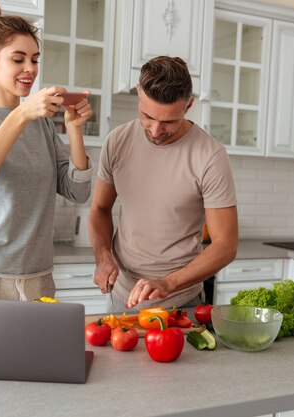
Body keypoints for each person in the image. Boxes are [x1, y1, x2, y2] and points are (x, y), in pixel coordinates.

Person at [0, 0, 94, 301]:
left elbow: (78, 192)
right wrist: (22, 115)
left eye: (35, 60)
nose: (30, 69)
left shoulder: (42, 125)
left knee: (35, 351)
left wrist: (74, 128)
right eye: (19, 59)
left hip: (37, 275)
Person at [89, 56, 238, 311]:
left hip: (180, 301)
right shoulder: (117, 141)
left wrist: (168, 284)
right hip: (120, 296)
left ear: (189, 105)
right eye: (147, 116)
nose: (156, 131)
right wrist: (103, 257)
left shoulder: (210, 156)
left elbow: (225, 245)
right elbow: (100, 209)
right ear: (139, 92)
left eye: (169, 121)